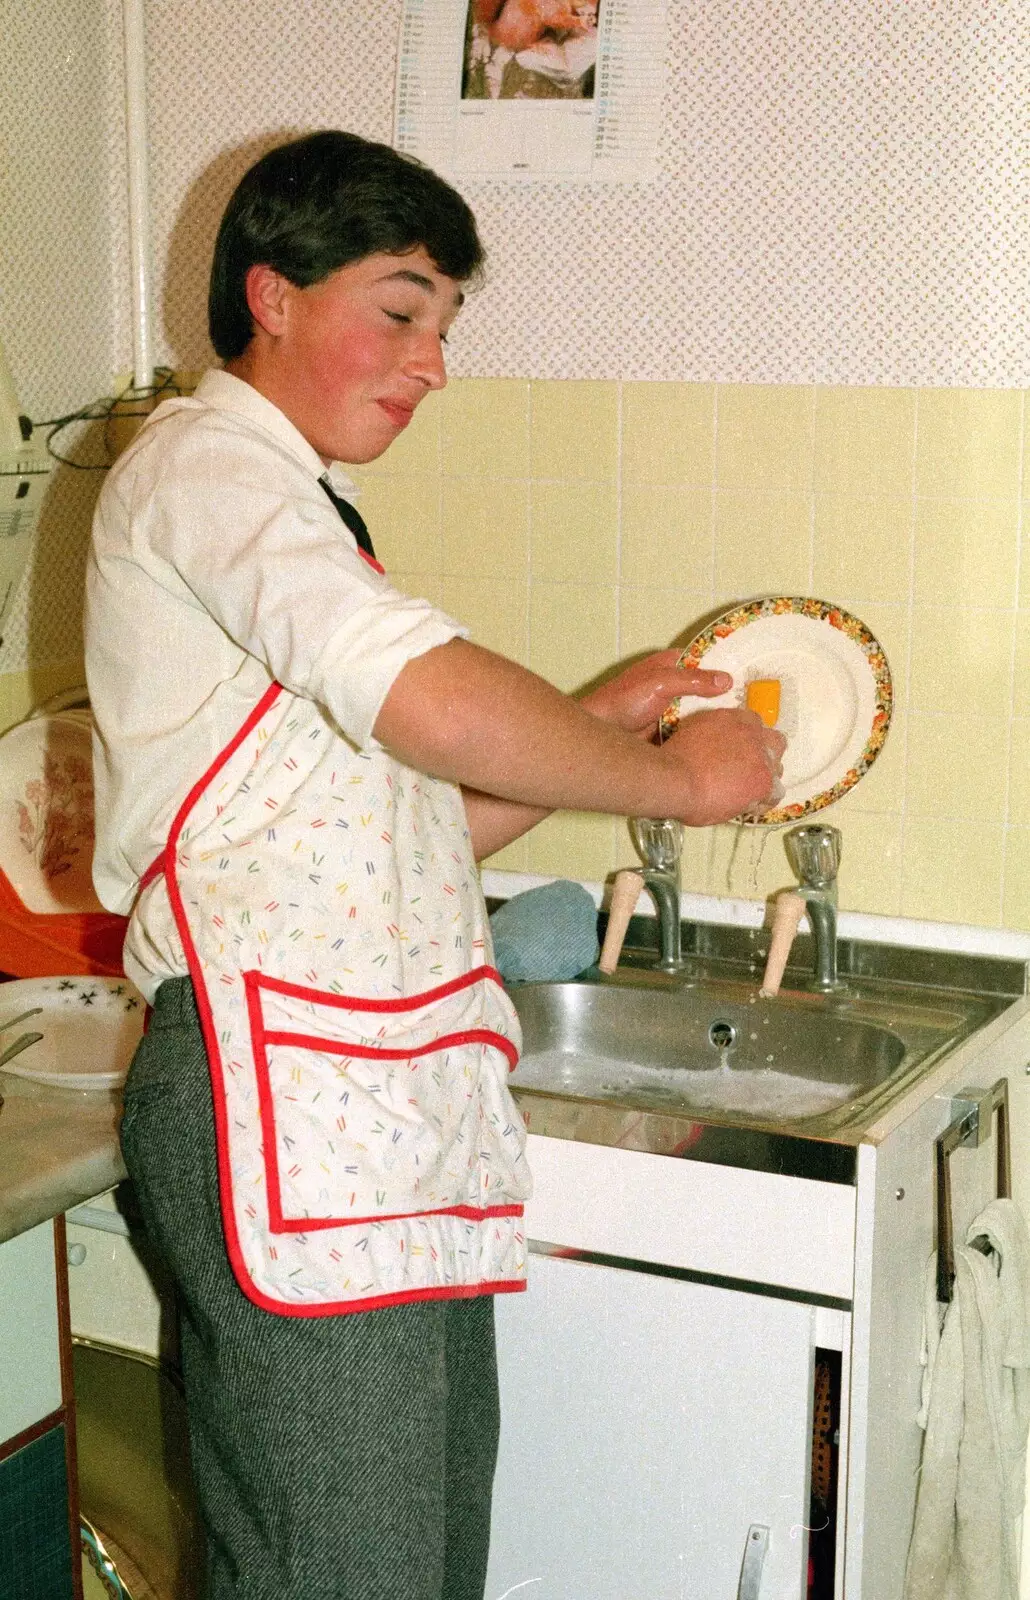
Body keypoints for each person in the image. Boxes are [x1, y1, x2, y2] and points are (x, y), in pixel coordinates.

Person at [84, 130, 784, 1600]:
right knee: (340, 1573)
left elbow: (394, 837)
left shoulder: (293, 509)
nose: (431, 360)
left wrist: (591, 725)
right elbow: (432, 699)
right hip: (276, 1105)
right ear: (270, 296)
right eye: (401, 310)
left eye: (445, 324)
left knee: (406, 1568)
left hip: (362, 1120)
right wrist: (669, 781)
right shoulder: (207, 472)